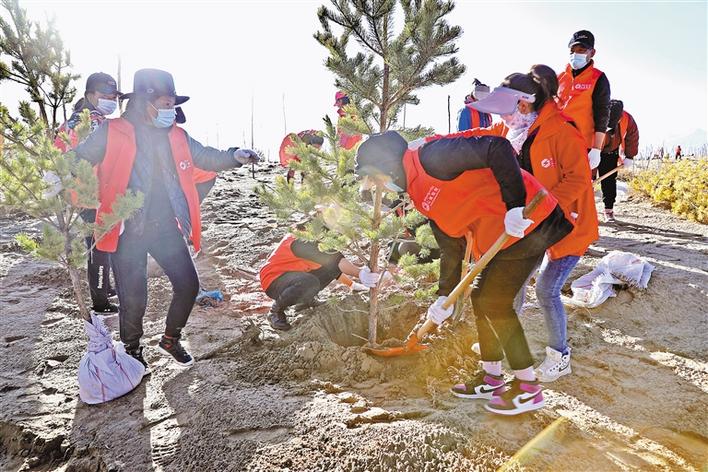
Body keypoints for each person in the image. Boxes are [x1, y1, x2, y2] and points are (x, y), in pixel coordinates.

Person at [355, 131, 573, 416]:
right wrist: (443, 295)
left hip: (532, 220)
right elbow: (450, 245)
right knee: (481, 298)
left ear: (388, 165)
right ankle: (492, 378)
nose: (379, 186)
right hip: (500, 235)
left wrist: (515, 206)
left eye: (376, 178)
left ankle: (528, 388)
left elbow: (497, 147)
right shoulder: (417, 194)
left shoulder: (433, 158)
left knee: (495, 302)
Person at [73, 69, 260, 369]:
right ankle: (132, 349)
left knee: (188, 285)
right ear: (145, 102)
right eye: (166, 103)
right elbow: (81, 156)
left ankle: (171, 338)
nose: (170, 110)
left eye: (172, 103)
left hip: (165, 226)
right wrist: (57, 172)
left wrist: (234, 155)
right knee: (134, 298)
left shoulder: (175, 134)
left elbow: (204, 156)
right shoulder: (114, 130)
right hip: (127, 228)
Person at [468, 65, 599, 382]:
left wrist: (541, 208)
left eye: (506, 112)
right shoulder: (516, 129)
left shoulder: (562, 131)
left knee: (546, 289)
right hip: (535, 224)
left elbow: (578, 179)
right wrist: (430, 142)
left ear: (524, 105)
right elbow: (478, 137)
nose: (502, 119)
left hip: (568, 224)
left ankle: (560, 356)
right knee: (511, 280)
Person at [55, 72, 122, 314]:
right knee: (100, 247)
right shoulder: (97, 123)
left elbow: (56, 157)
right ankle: (101, 302)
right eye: (105, 96)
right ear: (89, 95)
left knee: (96, 244)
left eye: (113, 97)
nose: (111, 101)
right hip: (95, 194)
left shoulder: (67, 123)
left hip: (79, 195)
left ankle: (105, 290)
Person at [260, 233, 384, 330]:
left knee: (325, 270)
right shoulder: (301, 242)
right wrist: (360, 274)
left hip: (295, 275)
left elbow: (334, 266)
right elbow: (336, 260)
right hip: (273, 280)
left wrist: (352, 285)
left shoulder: (315, 240)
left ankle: (305, 301)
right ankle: (275, 311)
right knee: (309, 282)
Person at [557, 30, 611, 172]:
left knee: (578, 184)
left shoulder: (598, 78)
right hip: (555, 144)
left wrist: (596, 149)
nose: (576, 54)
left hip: (582, 146)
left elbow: (602, 115)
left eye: (581, 50)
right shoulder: (559, 78)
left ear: (592, 52)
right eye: (572, 50)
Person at [599, 99, 639, 222]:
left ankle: (608, 210)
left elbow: (632, 136)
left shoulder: (627, 119)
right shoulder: (596, 114)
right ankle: (583, 211)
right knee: (586, 181)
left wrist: (629, 156)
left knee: (609, 181)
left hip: (611, 152)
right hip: (592, 150)